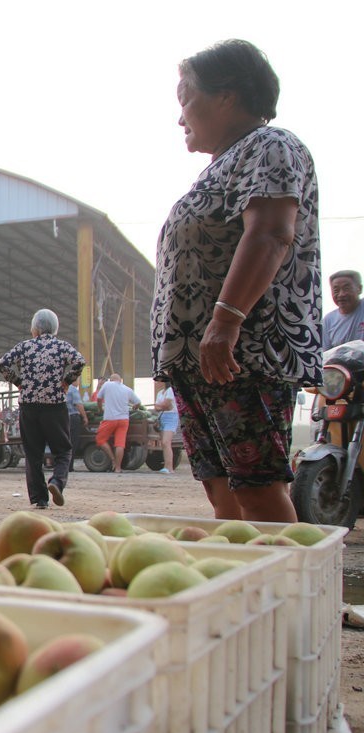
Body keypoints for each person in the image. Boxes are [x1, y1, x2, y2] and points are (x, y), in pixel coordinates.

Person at [150, 39, 321, 523]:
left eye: (186, 97)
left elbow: (270, 232)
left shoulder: (270, 145)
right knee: (223, 488)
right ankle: (244, 592)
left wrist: (226, 321)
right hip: (203, 358)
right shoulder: (224, 164)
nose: (180, 116)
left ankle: (288, 594)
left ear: (227, 95)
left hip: (242, 352)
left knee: (258, 487)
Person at [0, 309, 85, 508]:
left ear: (34, 328)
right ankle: (56, 482)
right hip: (55, 406)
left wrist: (19, 382)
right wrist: (67, 381)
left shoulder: (25, 347)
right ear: (55, 328)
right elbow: (79, 361)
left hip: (29, 407)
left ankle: (40, 499)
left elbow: (3, 363)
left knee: (33, 454)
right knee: (63, 451)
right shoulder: (62, 346)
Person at [94, 374, 142, 472]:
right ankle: (118, 468)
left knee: (100, 439)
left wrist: (100, 409)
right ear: (120, 380)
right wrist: (134, 407)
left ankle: (113, 460)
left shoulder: (107, 385)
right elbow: (138, 402)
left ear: (111, 380)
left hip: (110, 418)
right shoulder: (127, 389)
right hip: (124, 420)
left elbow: (99, 399)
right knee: (120, 444)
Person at [322, 270, 364, 351]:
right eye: (336, 290)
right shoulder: (328, 320)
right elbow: (325, 354)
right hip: (340, 362)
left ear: (359, 289)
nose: (341, 294)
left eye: (346, 288)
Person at [154, 381, 179, 473]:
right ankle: (167, 466)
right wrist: (162, 406)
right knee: (164, 444)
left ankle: (170, 467)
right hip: (161, 417)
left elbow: (167, 405)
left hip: (171, 416)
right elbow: (158, 407)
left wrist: (161, 406)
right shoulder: (160, 393)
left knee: (166, 442)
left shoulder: (170, 390)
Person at [65, 376, 89, 470]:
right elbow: (78, 404)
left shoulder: (64, 387)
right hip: (73, 418)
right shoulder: (73, 390)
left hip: (64, 418)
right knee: (73, 442)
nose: (78, 382)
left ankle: (64, 464)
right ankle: (69, 465)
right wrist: (85, 417)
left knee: (65, 440)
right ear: (74, 380)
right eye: (78, 379)